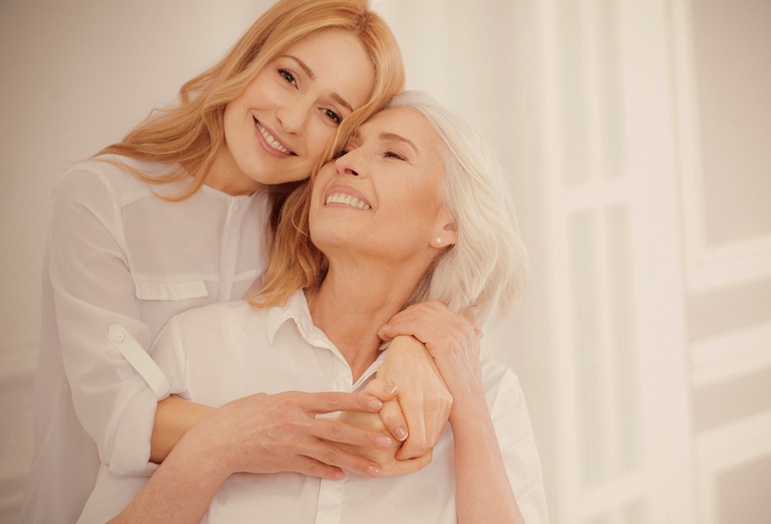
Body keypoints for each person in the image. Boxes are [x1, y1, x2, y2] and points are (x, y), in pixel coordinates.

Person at [23, 3, 466, 522]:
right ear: (249, 59)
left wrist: (410, 346)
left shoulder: (310, 225)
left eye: (331, 114)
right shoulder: (102, 199)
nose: (292, 120)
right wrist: (284, 437)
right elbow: (120, 417)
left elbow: (399, 282)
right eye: (287, 77)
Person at [89, 91, 549, 523]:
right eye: (344, 150)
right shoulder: (200, 345)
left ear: (447, 224)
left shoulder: (489, 393)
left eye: (392, 154)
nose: (346, 163)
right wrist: (218, 446)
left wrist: (468, 406)